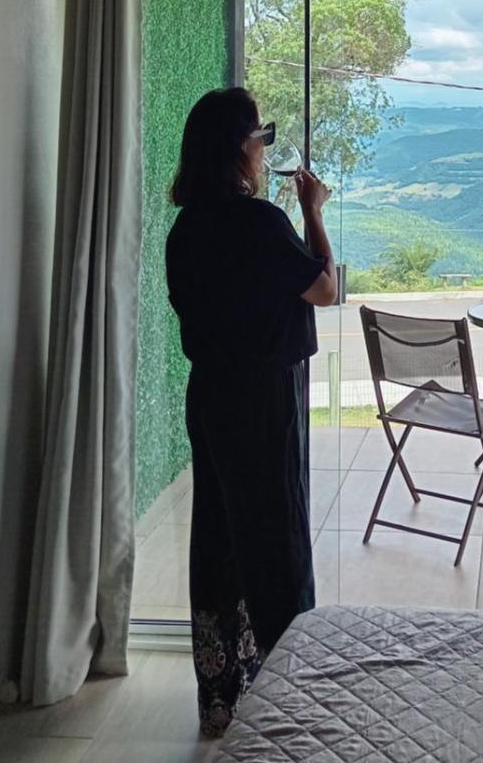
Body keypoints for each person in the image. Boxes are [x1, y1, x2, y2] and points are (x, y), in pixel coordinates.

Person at [165, 87, 337, 738]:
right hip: (263, 399)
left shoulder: (185, 230)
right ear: (240, 147)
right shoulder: (261, 222)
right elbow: (324, 288)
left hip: (211, 396)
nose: (265, 150)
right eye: (261, 138)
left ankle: (222, 700)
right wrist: (313, 211)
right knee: (277, 539)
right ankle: (292, 694)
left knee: (219, 538)